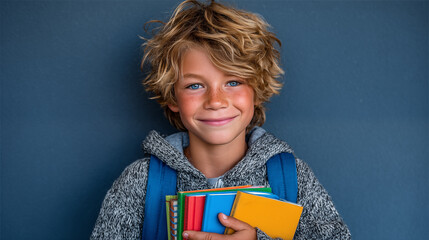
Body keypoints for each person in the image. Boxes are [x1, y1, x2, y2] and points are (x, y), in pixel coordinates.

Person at [90, 0, 351, 239]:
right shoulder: (141, 182)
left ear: (256, 91)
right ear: (172, 97)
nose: (216, 101)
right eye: (194, 86)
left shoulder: (292, 177)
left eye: (233, 82)